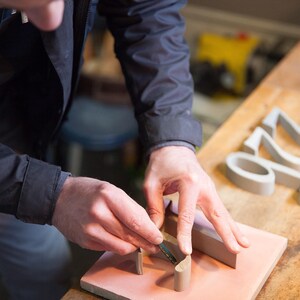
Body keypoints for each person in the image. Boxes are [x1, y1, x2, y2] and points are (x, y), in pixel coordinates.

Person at [0, 0, 250, 299]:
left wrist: (171, 138)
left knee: (43, 272)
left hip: (20, 132)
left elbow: (147, 11)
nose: (54, 22)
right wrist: (48, 194)